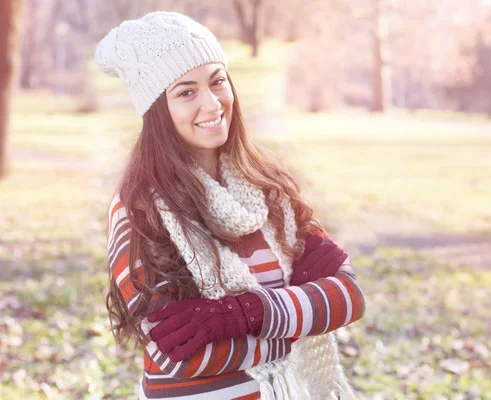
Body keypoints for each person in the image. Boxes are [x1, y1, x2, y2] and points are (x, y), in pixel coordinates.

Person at [97, 11, 366, 400]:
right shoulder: (140, 209)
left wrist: (243, 314)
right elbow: (174, 355)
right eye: (186, 92)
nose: (212, 104)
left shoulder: (271, 190)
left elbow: (349, 296)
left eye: (218, 81)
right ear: (157, 109)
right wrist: (300, 312)